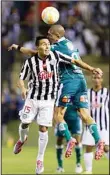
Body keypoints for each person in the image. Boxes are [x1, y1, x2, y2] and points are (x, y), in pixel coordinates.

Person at [8, 25, 104, 161]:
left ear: (56, 35)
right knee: (84, 114)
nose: (48, 37)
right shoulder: (69, 44)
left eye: (49, 34)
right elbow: (77, 61)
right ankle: (99, 141)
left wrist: (17, 47)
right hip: (81, 80)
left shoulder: (55, 48)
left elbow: (34, 52)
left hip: (68, 81)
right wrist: (92, 69)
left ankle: (69, 139)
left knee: (58, 115)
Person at [13, 36, 80, 174]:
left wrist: (90, 69)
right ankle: (21, 140)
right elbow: (20, 79)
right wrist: (23, 88)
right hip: (32, 98)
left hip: (48, 100)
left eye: (49, 43)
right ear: (38, 47)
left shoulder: (55, 56)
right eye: (44, 44)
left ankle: (40, 160)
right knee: (25, 123)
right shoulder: (30, 62)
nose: (48, 46)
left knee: (43, 128)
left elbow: (73, 60)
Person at [82, 74, 109, 174]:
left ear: (101, 79)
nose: (96, 80)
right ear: (92, 79)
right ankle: (88, 170)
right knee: (89, 146)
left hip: (104, 125)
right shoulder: (87, 93)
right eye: (94, 78)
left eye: (98, 78)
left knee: (106, 147)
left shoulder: (107, 93)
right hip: (90, 125)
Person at [55, 104, 83, 174]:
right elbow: (56, 106)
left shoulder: (77, 93)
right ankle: (60, 166)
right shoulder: (60, 93)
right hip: (62, 118)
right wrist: (55, 119)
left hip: (75, 119)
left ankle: (78, 164)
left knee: (77, 140)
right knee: (59, 140)